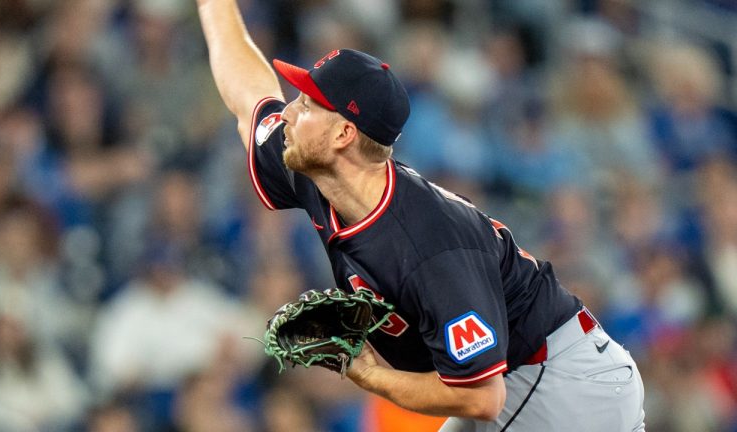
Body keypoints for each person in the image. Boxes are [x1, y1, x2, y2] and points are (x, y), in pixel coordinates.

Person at [194, 1, 646, 430]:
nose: (289, 113)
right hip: (522, 377)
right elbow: (250, 99)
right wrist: (214, 8)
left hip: (563, 385)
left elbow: (481, 398)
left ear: (343, 134)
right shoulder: (317, 173)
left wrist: (367, 374)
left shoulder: (428, 243)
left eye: (308, 104)